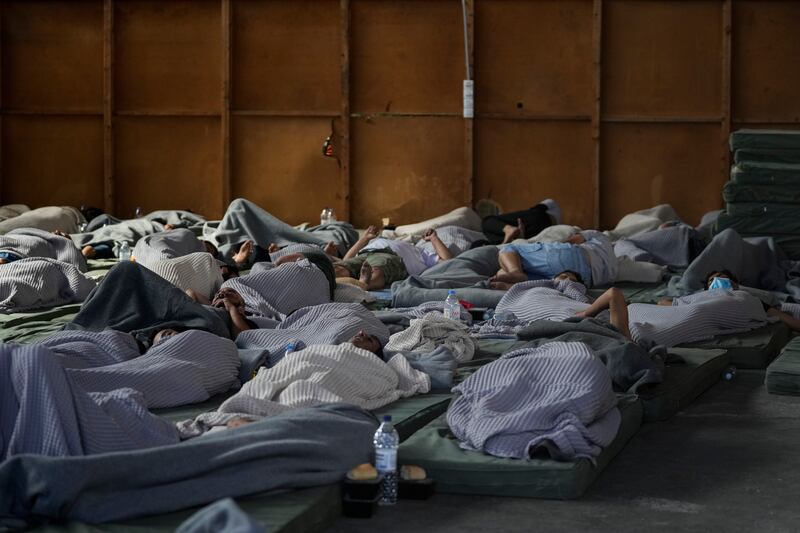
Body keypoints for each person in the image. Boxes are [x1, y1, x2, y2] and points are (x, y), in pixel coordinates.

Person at [333, 226, 454, 290]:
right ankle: (329, 279)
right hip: (366, 253)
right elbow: (345, 260)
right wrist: (365, 238)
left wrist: (434, 238)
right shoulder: (378, 240)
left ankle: (364, 284)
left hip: (392, 257)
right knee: (340, 268)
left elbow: (449, 262)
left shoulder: (421, 251)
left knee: (378, 270)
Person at [490, 230, 617, 289]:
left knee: (508, 249)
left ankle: (515, 272)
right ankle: (511, 280)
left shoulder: (601, 237)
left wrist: (558, 244)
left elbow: (572, 240)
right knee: (502, 273)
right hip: (582, 281)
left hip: (573, 256)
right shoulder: (614, 271)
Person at [480, 199, 560, 245]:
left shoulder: (553, 206)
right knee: (488, 227)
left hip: (534, 223)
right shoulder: (557, 225)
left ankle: (508, 233)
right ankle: (507, 238)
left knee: (486, 221)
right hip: (535, 227)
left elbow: (541, 206)